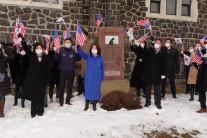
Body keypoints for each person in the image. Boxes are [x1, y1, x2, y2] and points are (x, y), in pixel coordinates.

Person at [19, 34, 51, 118]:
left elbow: (49, 69)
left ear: (42, 49)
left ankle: (40, 111)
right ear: (34, 49)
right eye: (37, 48)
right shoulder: (32, 56)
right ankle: (33, 112)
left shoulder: (46, 58)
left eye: (40, 48)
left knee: (40, 96)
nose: (39, 49)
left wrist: (48, 80)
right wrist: (22, 40)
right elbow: (26, 48)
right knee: (34, 96)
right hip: (33, 80)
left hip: (42, 80)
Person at [77, 43, 104, 111]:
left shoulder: (101, 58)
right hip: (89, 77)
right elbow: (81, 53)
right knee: (88, 90)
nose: (94, 49)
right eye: (92, 48)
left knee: (96, 91)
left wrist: (102, 78)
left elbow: (102, 69)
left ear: (97, 49)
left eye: (95, 48)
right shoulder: (88, 56)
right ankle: (87, 104)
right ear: (91, 49)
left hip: (97, 78)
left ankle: (94, 104)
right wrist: (78, 46)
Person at [53, 38, 81, 106]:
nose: (67, 43)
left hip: (71, 72)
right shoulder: (61, 51)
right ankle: (61, 100)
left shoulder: (73, 51)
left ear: (71, 43)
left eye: (69, 42)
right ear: (64, 43)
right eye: (66, 42)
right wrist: (57, 53)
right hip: (62, 72)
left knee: (70, 87)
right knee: (61, 86)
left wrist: (77, 52)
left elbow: (78, 58)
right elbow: (55, 59)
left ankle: (68, 100)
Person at [142, 39, 166, 109]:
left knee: (157, 89)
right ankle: (147, 101)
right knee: (148, 88)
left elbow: (165, 64)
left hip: (157, 73)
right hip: (149, 73)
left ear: (160, 45)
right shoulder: (150, 50)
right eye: (155, 43)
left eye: (158, 43)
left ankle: (158, 102)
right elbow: (145, 51)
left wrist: (163, 73)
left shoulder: (163, 52)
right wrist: (142, 46)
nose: (156, 44)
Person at [0, 43, 15, 118]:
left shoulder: (3, 56)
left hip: (2, 79)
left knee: (2, 95)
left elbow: (12, 57)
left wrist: (5, 48)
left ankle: (1, 111)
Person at [195, 40, 207, 113]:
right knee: (201, 90)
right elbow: (195, 62)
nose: (206, 44)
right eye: (205, 43)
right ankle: (203, 107)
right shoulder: (202, 51)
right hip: (202, 73)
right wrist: (198, 66)